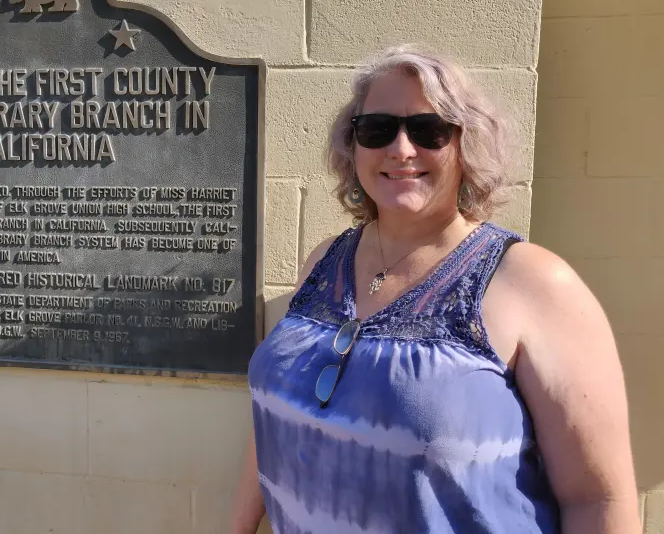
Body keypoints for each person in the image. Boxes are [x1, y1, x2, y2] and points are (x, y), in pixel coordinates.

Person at [229, 45, 640, 534]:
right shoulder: (325, 261)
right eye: (377, 129)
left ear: (467, 145)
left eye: (429, 131)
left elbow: (598, 499)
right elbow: (276, 416)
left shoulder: (534, 283)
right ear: (352, 145)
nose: (401, 150)